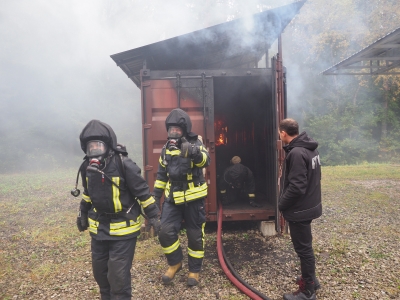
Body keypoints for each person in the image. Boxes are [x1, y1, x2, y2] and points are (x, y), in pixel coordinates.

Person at [75, 119, 160, 300]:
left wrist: (154, 216)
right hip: (99, 230)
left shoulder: (124, 164)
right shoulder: (86, 168)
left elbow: (142, 192)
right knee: (100, 274)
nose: (95, 150)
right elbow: (88, 193)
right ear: (86, 149)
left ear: (109, 145)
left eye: (99, 145)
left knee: (118, 278)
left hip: (123, 230)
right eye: (91, 147)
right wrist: (82, 212)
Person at [153, 108, 211, 287]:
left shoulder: (195, 143)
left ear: (184, 129)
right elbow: (162, 175)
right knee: (165, 231)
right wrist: (155, 197)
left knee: (195, 236)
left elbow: (205, 161)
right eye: (171, 129)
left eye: (178, 129)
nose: (174, 132)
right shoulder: (165, 149)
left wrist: (192, 151)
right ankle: (175, 263)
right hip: (172, 199)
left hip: (194, 199)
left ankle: (194, 270)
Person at [278, 118, 322, 300]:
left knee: (303, 250)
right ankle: (310, 279)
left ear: (283, 133)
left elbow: (297, 187)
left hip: (300, 210)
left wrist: (281, 204)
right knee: (306, 247)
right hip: (308, 206)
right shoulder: (310, 148)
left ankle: (308, 291)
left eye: (279, 133)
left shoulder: (296, 153)